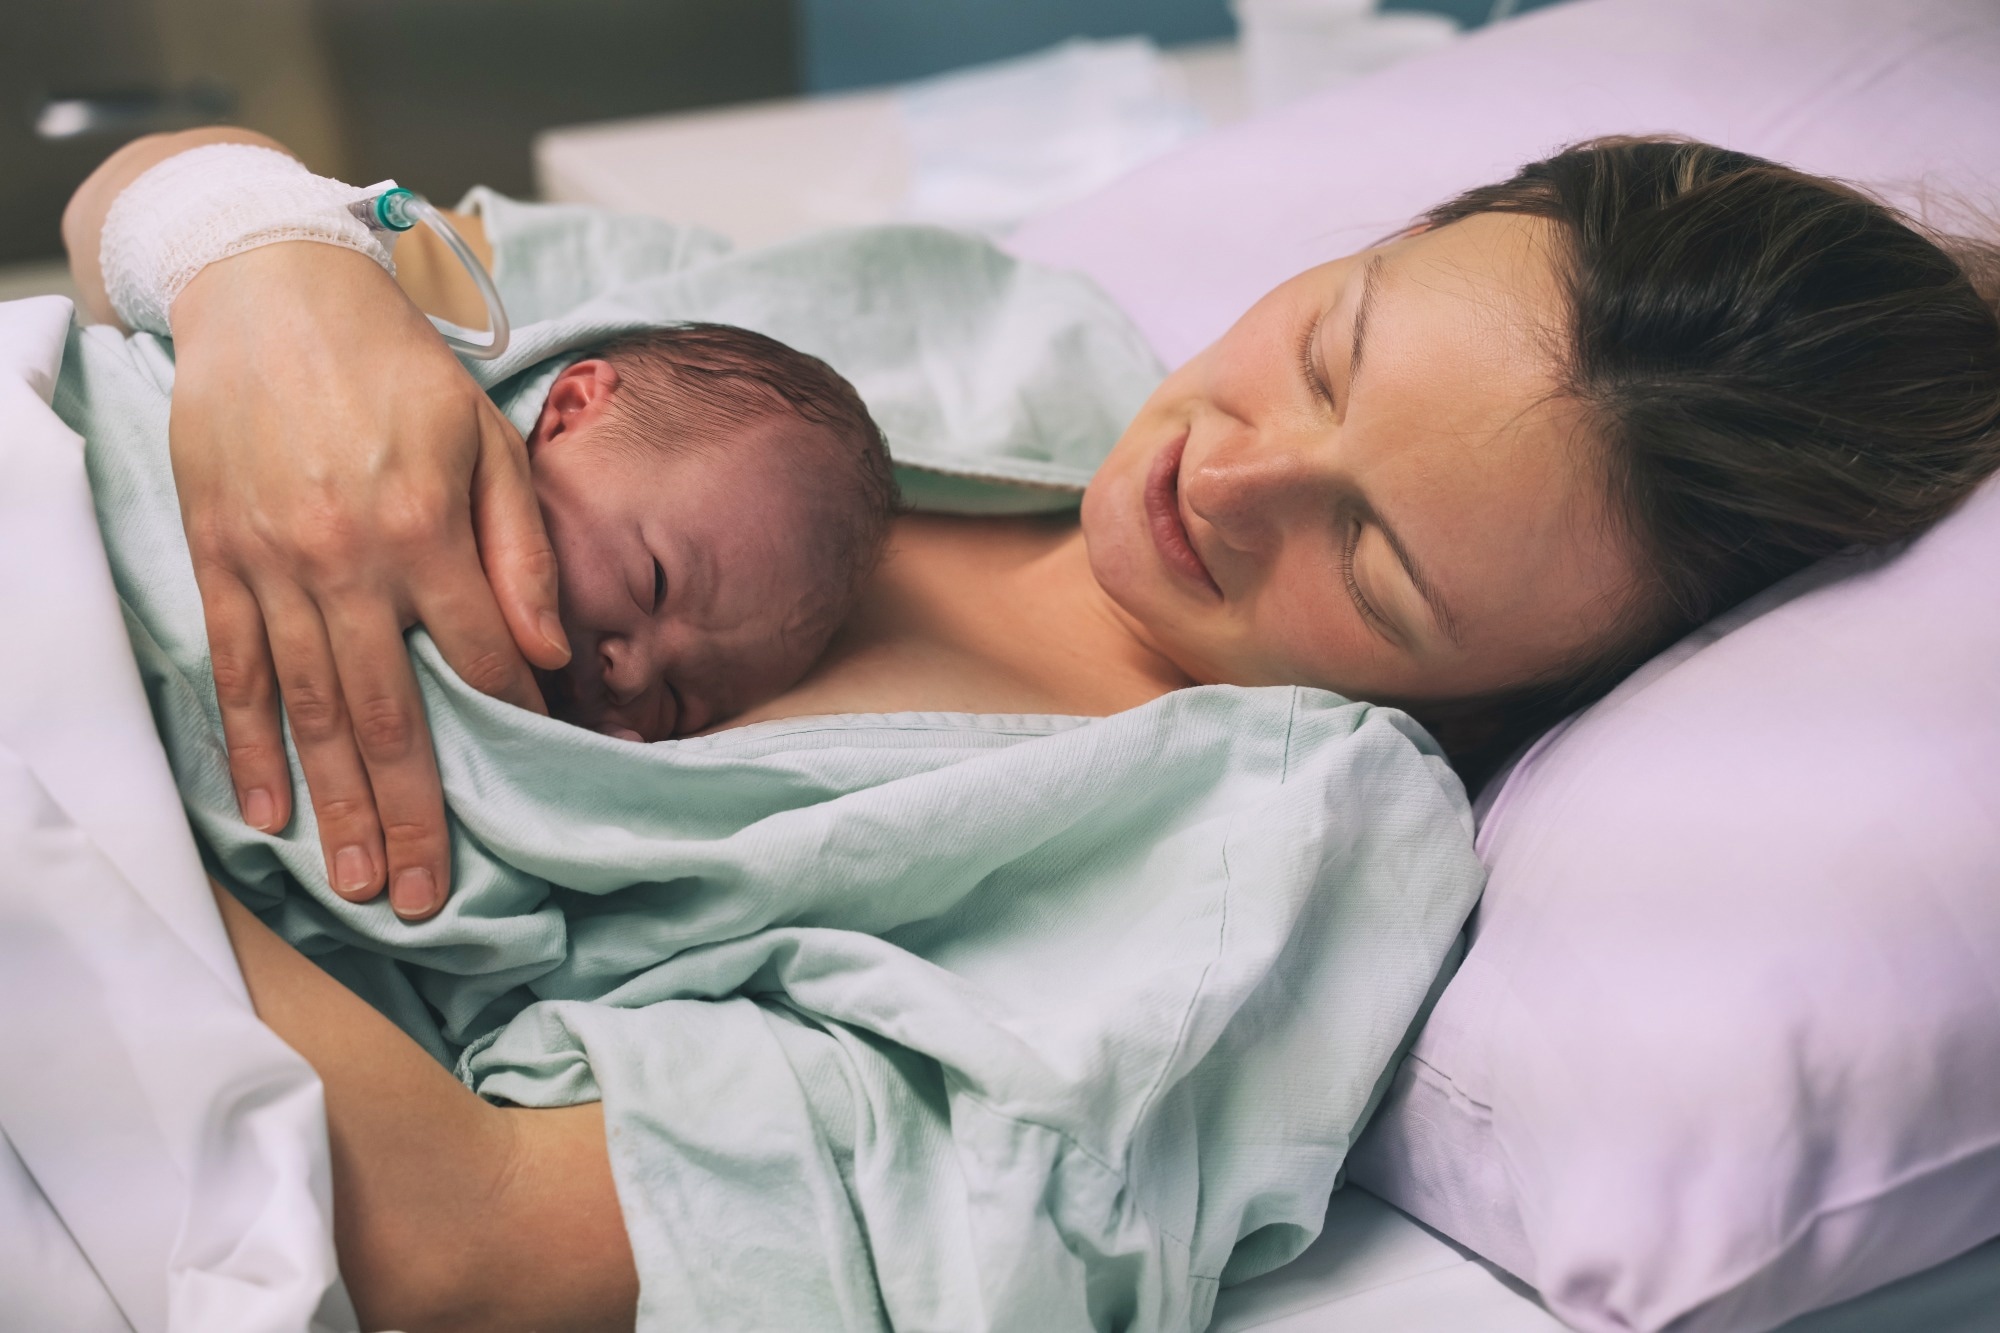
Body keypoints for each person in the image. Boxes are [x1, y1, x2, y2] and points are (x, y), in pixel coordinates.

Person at [63, 128, 2000, 1332]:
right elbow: (125, 209)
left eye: (1376, 562)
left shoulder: (1250, 876)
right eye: (1329, 349)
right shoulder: (985, 329)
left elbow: (465, 1241)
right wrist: (263, 271)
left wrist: (69, 800)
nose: (1229, 472)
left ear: (1500, 688)